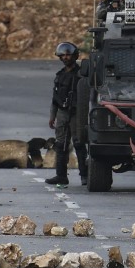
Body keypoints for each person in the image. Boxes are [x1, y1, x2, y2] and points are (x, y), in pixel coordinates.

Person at [46, 41, 88, 187]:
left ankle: (85, 176)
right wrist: (53, 116)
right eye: (62, 55)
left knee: (79, 144)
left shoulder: (81, 75)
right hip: (62, 114)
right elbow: (55, 98)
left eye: (68, 55)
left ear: (75, 56)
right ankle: (61, 176)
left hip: (77, 113)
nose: (65, 57)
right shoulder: (60, 76)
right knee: (60, 145)